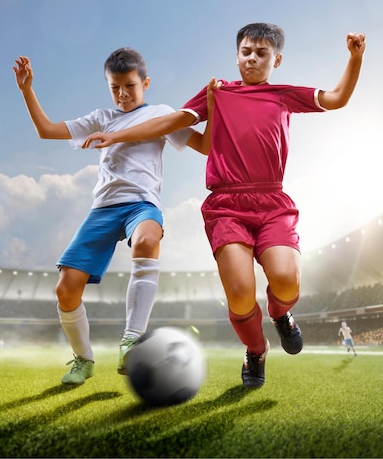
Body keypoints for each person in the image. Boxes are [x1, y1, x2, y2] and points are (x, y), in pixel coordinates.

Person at [82, 23, 366, 388]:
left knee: (284, 280)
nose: (252, 59)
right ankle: (256, 350)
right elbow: (169, 122)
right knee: (240, 291)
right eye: (246, 52)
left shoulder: (282, 94)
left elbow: (337, 98)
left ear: (276, 60)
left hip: (271, 199)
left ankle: (281, 315)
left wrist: (354, 59)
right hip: (226, 205)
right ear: (236, 56)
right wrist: (117, 135)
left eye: (261, 54)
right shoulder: (216, 92)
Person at [13, 48, 209, 386]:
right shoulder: (101, 117)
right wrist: (27, 90)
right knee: (65, 290)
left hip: (142, 205)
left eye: (130, 86)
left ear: (145, 83)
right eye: (115, 88)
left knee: (148, 239)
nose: (122, 94)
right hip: (103, 209)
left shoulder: (162, 115)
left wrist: (216, 107)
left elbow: (205, 146)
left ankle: (131, 340)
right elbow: (46, 130)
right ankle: (83, 360)